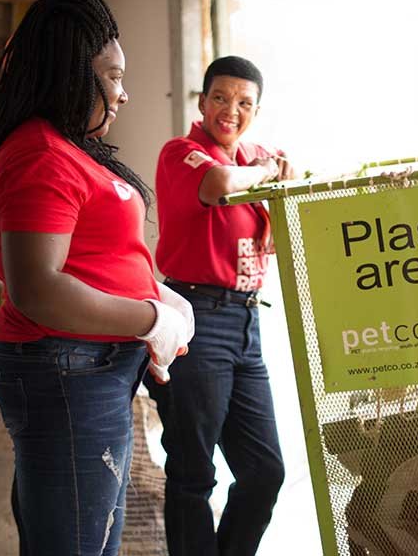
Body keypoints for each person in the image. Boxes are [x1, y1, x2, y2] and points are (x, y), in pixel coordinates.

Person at [0, 0, 192, 555]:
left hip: (90, 371)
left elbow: (93, 256)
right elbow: (38, 287)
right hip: (68, 373)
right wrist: (149, 317)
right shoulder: (39, 155)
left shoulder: (68, 147)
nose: (123, 93)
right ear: (70, 74)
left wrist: (160, 296)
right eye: (112, 77)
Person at [148, 55, 297, 556]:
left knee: (265, 471)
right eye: (220, 98)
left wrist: (279, 175)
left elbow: (286, 197)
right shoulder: (183, 153)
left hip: (247, 321)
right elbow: (217, 186)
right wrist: (263, 171)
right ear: (202, 100)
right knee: (193, 471)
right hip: (196, 317)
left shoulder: (257, 155)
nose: (230, 110)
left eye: (244, 103)